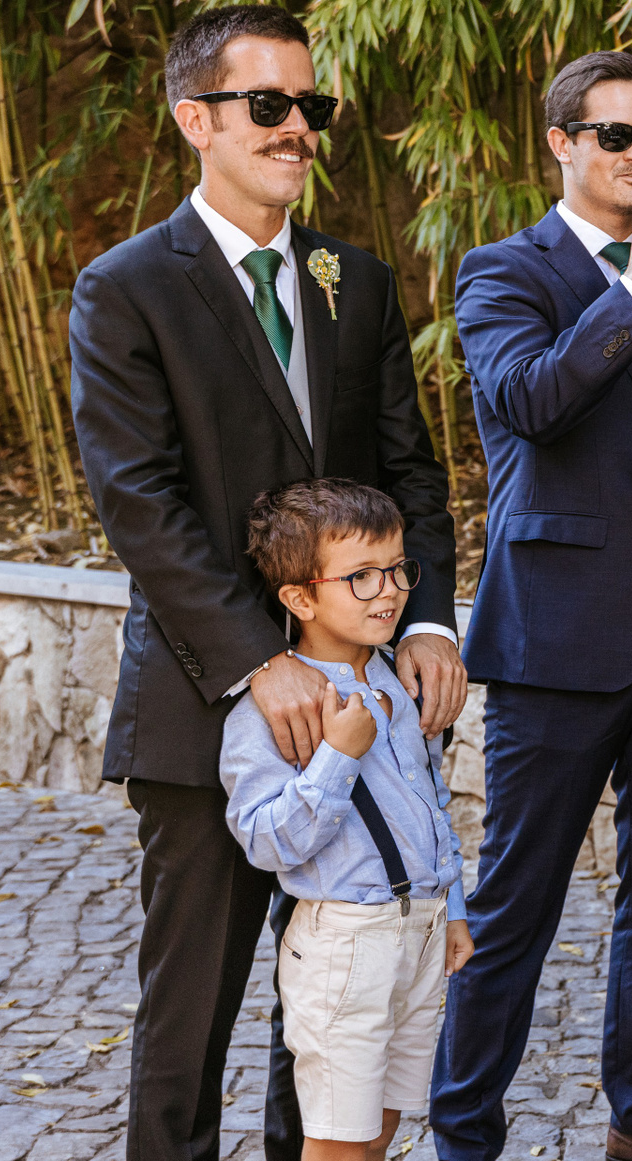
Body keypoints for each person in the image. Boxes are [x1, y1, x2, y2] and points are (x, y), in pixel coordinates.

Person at [70, 4, 466, 1161]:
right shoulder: (126, 287)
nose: (298, 126)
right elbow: (139, 501)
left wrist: (428, 620)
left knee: (338, 1018)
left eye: (310, 104)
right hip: (206, 707)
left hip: (364, 710)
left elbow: (409, 473)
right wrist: (259, 662)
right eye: (268, 104)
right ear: (195, 119)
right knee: (188, 1016)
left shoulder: (358, 280)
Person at [429, 51, 632, 1161]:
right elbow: (529, 402)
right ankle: (463, 1135)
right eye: (615, 135)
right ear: (561, 144)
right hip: (559, 633)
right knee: (516, 904)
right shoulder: (503, 272)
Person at [222, 479, 473, 1161]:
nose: (388, 591)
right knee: (339, 1141)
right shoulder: (273, 711)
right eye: (361, 576)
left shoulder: (397, 680)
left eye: (396, 569)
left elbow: (430, 803)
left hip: (418, 933)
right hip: (344, 945)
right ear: (300, 598)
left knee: (383, 1127)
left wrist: (451, 907)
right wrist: (338, 755)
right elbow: (265, 840)